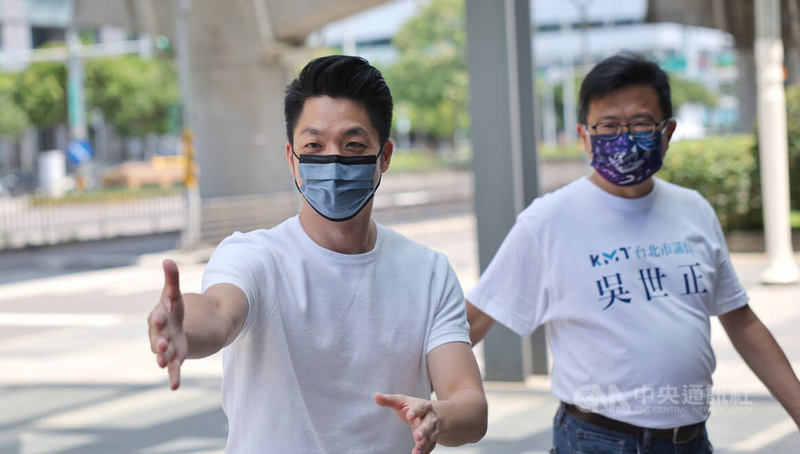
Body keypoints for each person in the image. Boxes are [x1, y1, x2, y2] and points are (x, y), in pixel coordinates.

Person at [148, 55, 487, 454]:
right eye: (314, 145)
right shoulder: (253, 257)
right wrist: (182, 329)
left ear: (385, 156)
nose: (333, 160)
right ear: (292, 158)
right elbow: (218, 312)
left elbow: (469, 404)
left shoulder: (428, 272)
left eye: (353, 144)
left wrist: (437, 417)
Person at [467, 52, 800, 453]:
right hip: (597, 440)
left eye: (641, 123)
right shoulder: (548, 221)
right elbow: (472, 320)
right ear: (584, 135)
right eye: (608, 125)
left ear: (667, 131)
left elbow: (741, 320)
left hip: (691, 440)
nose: (624, 137)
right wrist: (426, 402)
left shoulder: (693, 209)